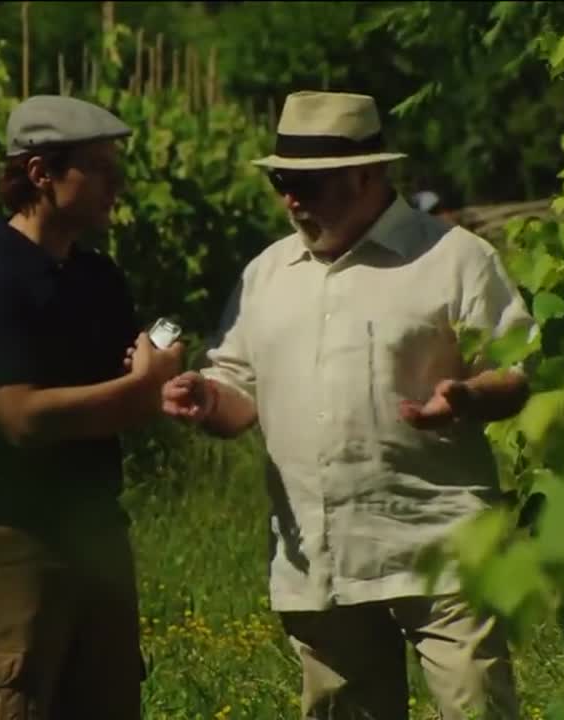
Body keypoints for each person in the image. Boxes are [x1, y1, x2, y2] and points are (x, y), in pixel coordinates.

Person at [161, 91, 535, 720]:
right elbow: (237, 393)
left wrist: (469, 396)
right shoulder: (267, 274)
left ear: (366, 175)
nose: (291, 200)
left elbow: (516, 371)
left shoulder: (454, 258)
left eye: (308, 184)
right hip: (320, 559)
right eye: (282, 182)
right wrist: (205, 398)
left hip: (441, 546)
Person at [0, 95, 184, 719]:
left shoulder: (97, 277)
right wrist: (136, 388)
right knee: (11, 699)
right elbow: (25, 422)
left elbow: (148, 353)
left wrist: (159, 352)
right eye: (98, 168)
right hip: (20, 540)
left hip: (98, 532)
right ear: (40, 173)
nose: (116, 183)